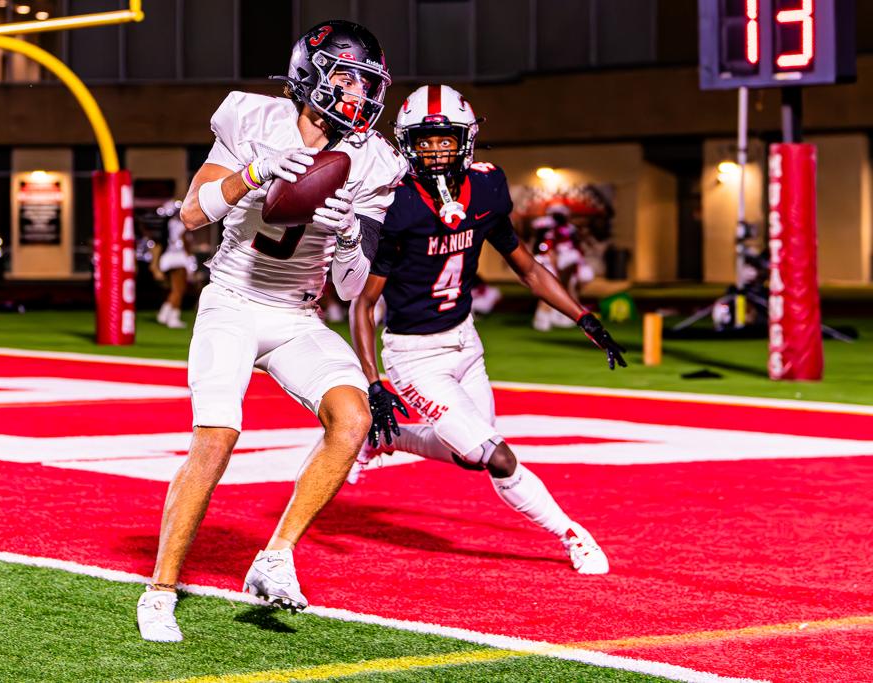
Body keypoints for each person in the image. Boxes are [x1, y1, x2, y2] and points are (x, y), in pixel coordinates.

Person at [136, 20, 407, 642]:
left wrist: (349, 234)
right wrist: (255, 173)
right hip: (232, 300)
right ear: (310, 75)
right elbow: (193, 213)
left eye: (369, 85)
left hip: (297, 314)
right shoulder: (251, 118)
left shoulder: (375, 161)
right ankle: (160, 591)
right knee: (217, 438)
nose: (361, 96)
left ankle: (276, 555)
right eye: (349, 79)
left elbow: (350, 289)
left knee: (353, 419)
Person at [348, 85, 626, 576]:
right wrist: (374, 382)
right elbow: (364, 303)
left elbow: (528, 268)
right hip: (415, 355)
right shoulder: (397, 205)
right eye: (425, 140)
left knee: (470, 457)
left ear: (466, 139)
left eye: (446, 139)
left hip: (466, 340)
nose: (437, 150)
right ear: (407, 144)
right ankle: (572, 534)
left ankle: (384, 440)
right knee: (496, 457)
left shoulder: (487, 189)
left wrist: (583, 316)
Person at [532, 204, 594, 331]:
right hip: (549, 264)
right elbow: (549, 251)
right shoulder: (550, 230)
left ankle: (569, 316)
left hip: (557, 264)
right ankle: (543, 318)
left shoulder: (566, 231)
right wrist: (557, 268)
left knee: (566, 289)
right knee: (550, 291)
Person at [154, 200, 196, 329]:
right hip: (178, 258)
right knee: (179, 290)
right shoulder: (180, 225)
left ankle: (164, 314)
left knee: (175, 289)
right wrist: (189, 257)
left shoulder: (169, 224)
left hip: (169, 257)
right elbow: (185, 243)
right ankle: (173, 318)